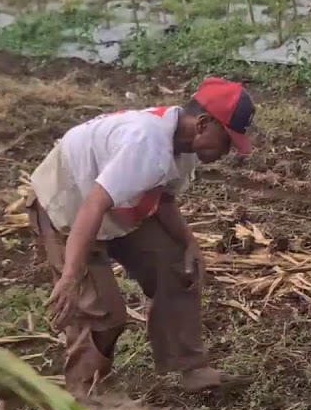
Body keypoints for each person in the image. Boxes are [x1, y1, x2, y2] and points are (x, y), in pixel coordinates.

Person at [26, 77, 256, 394]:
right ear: (203, 124)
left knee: (178, 265)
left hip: (115, 204)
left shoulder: (183, 146)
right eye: (227, 141)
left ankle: (190, 368)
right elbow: (92, 206)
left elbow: (162, 197)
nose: (228, 151)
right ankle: (86, 398)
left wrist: (189, 244)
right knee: (102, 313)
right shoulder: (145, 145)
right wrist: (70, 275)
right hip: (69, 205)